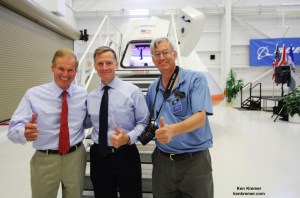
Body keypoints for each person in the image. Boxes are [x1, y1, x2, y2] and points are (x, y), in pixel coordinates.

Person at [7, 48, 91, 198]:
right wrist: (23, 132)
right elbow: (13, 130)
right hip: (45, 160)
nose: (65, 74)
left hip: (75, 158)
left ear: (76, 71)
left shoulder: (82, 94)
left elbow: (87, 122)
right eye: (61, 69)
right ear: (52, 67)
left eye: (70, 70)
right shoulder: (33, 95)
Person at [146, 37, 214, 198]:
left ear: (174, 54)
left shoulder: (195, 80)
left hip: (194, 162)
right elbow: (145, 118)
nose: (161, 57)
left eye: (165, 52)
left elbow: (200, 118)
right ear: (153, 59)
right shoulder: (153, 89)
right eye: (157, 54)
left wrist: (173, 130)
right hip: (163, 163)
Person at [87, 46, 149, 198]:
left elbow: (144, 123)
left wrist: (127, 138)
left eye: (109, 63)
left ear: (116, 64)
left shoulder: (132, 91)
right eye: (100, 63)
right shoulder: (91, 96)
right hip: (99, 156)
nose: (104, 67)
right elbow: (87, 123)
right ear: (95, 66)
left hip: (126, 154)